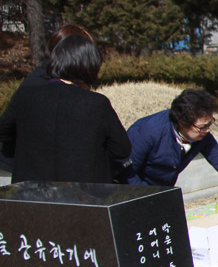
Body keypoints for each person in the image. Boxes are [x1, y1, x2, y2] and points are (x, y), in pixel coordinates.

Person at [0, 35, 130, 184]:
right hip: (82, 190)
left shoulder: (26, 96)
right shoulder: (96, 103)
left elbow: (4, 131)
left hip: (30, 188)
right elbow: (122, 149)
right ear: (90, 66)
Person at [123, 88, 218, 215]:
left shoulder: (201, 135)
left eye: (210, 124)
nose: (207, 130)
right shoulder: (147, 131)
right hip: (134, 194)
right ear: (182, 122)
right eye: (202, 127)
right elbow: (127, 172)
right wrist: (146, 199)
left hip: (163, 192)